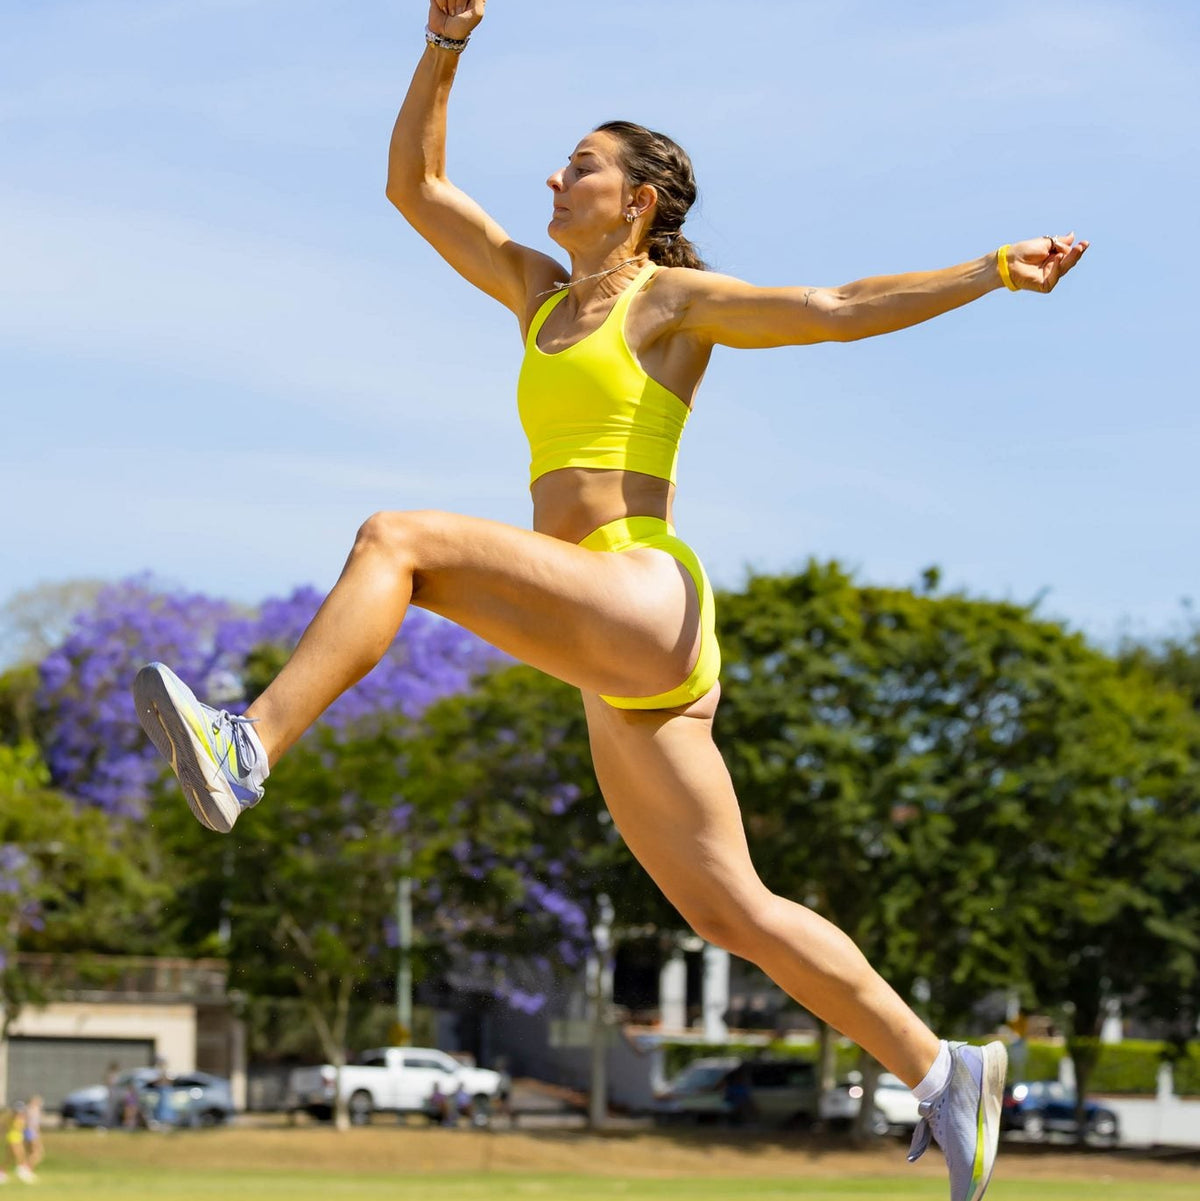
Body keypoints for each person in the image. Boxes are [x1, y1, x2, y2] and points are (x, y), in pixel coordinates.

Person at [130, 4, 1087, 1199]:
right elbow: (416, 185)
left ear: (637, 201)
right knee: (732, 908)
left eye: (579, 164)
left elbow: (840, 305)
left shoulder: (670, 304)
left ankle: (249, 744)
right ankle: (945, 1068)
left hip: (642, 587)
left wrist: (995, 269)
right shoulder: (539, 294)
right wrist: (446, 42)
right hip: (614, 647)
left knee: (399, 539)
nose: (553, 175)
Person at [20, 1097, 42, 1174]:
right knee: (38, 1152)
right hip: (31, 1132)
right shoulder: (32, 1110)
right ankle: (26, 1167)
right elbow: (30, 1123)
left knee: (32, 1151)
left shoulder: (30, 1110)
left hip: (29, 1132)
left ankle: (28, 1168)